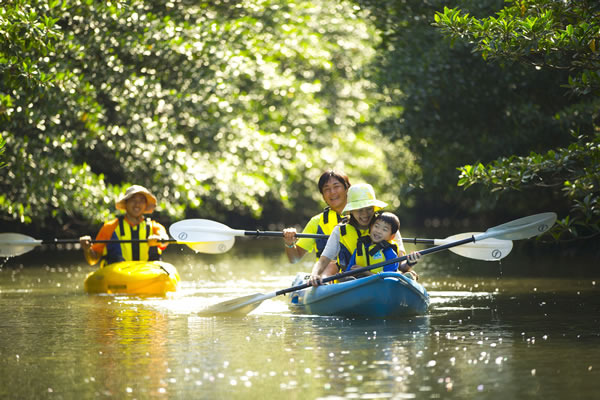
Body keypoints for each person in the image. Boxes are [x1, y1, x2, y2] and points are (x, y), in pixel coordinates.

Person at [308, 183, 414, 286]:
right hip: (351, 283)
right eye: (359, 210)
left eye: (369, 208)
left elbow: (401, 263)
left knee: (408, 275)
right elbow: (324, 260)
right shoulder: (340, 231)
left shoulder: (388, 227)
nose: (365, 214)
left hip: (383, 281)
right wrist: (314, 274)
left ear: (374, 207)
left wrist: (409, 264)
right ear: (351, 211)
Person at [79, 185, 170, 266]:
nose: (137, 204)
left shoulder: (154, 227)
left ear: (146, 205)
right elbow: (93, 260)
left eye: (141, 200)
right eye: (133, 200)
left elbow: (164, 239)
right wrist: (87, 249)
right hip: (118, 277)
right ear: (126, 203)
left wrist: (159, 239)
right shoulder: (109, 227)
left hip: (149, 275)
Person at [282, 170, 350, 264]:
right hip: (327, 275)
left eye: (336, 186)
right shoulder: (316, 222)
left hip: (360, 272)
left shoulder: (362, 215)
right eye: (326, 189)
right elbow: (294, 259)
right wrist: (289, 243)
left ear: (347, 189)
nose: (332, 192)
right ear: (323, 196)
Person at [345, 211, 421, 280]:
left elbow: (388, 279)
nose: (378, 231)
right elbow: (348, 272)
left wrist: (364, 272)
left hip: (379, 286)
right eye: (376, 226)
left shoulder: (390, 254)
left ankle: (409, 276)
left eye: (384, 229)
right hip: (358, 283)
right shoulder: (359, 249)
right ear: (371, 228)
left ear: (391, 237)